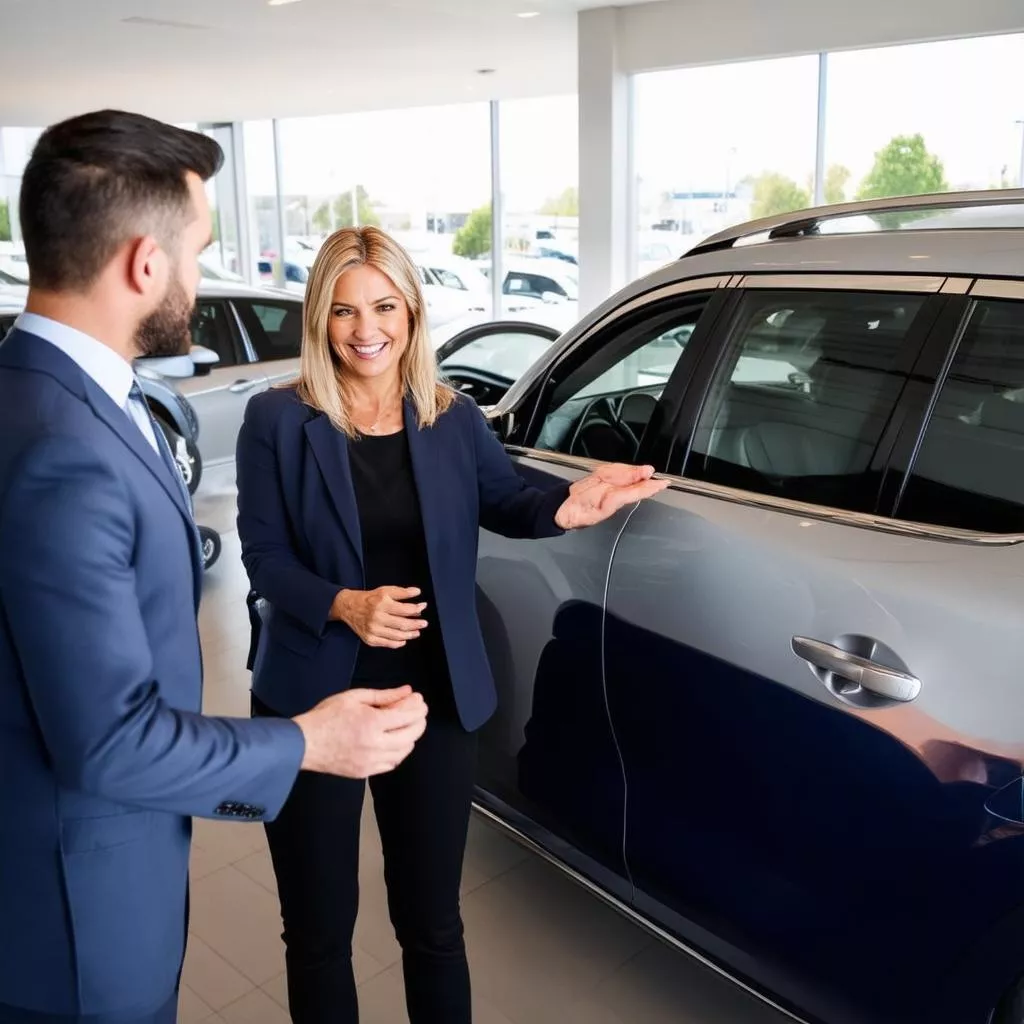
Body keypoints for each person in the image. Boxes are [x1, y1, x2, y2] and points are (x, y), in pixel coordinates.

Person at [0, 112, 428, 1024]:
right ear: (144, 264)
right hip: (75, 928)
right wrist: (310, 742)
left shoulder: (51, 396)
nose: (199, 279)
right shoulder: (63, 446)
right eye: (196, 252)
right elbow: (108, 741)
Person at [235, 225, 668, 1024]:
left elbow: (509, 500)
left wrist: (571, 505)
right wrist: (344, 604)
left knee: (432, 922)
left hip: (429, 697)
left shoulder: (451, 417)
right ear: (320, 318)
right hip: (316, 700)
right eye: (344, 310)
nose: (366, 329)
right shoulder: (276, 420)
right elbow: (263, 556)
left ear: (412, 310)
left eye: (384, 306)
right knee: (318, 931)